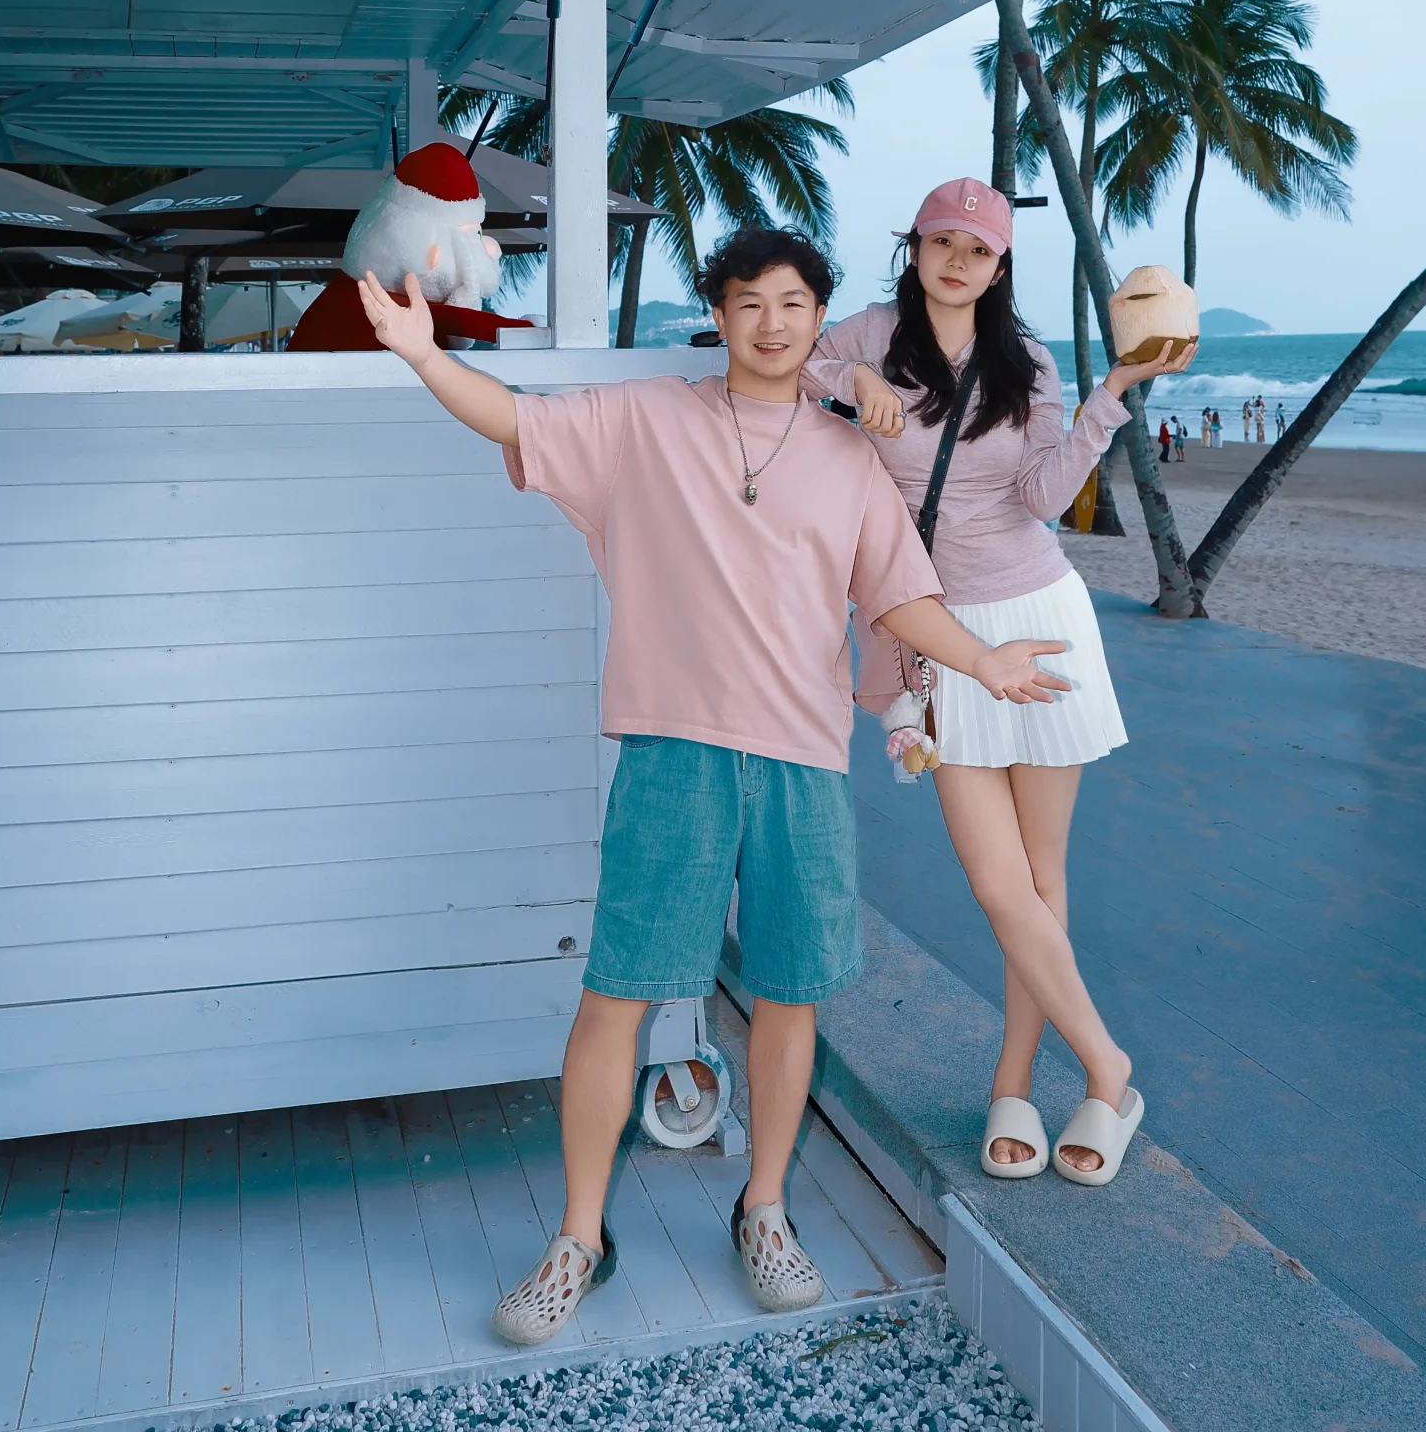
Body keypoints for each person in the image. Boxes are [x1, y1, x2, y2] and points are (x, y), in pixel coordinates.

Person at [358, 222, 1067, 1346]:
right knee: (616, 995)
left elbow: (899, 597)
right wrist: (422, 354)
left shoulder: (850, 461)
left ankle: (764, 1209)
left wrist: (985, 662)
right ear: (720, 314)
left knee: (790, 993)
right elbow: (516, 419)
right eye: (748, 303)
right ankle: (579, 1239)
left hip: (801, 761)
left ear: (818, 319)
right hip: (672, 748)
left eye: (792, 304)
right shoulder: (645, 418)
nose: (771, 323)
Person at [802, 179, 1187, 1189]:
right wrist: (852, 381)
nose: (958, 261)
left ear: (1000, 265)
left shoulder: (1029, 360)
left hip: (1039, 618)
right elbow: (789, 361)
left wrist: (1112, 393)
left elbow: (1041, 495)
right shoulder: (871, 332)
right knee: (994, 880)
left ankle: (1013, 1081)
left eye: (978, 249)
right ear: (915, 248)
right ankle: (1107, 1069)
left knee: (1039, 879)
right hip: (933, 631)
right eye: (942, 242)